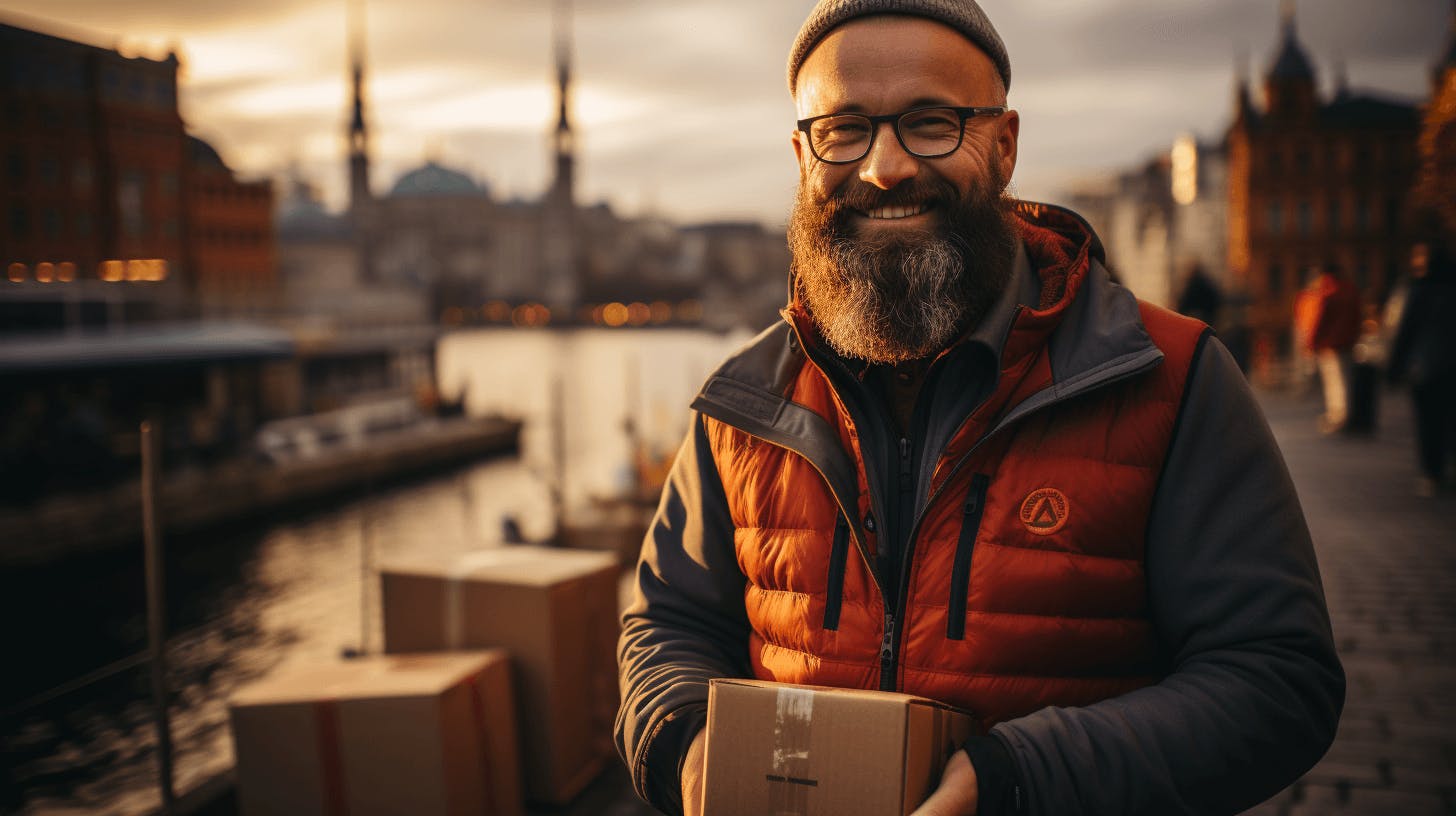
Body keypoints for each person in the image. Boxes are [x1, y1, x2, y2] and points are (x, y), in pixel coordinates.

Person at [615, 2, 1344, 814]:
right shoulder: (743, 405)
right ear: (801, 155)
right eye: (843, 129)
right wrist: (685, 741)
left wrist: (1020, 781)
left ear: (1004, 147)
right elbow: (667, 624)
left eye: (930, 122)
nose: (885, 167)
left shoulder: (1173, 380)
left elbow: (1278, 682)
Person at [1387, 240, 1456, 496]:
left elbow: (1406, 331)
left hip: (1426, 368)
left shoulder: (1419, 290)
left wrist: (1394, 368)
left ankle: (1432, 473)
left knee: (1429, 422)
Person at [1294, 263, 1363, 434]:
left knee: (1335, 384)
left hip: (1329, 345)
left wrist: (1310, 343)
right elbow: (1357, 317)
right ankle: (1346, 416)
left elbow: (1318, 321)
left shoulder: (1326, 293)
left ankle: (1339, 418)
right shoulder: (1350, 290)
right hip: (1347, 343)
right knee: (1346, 382)